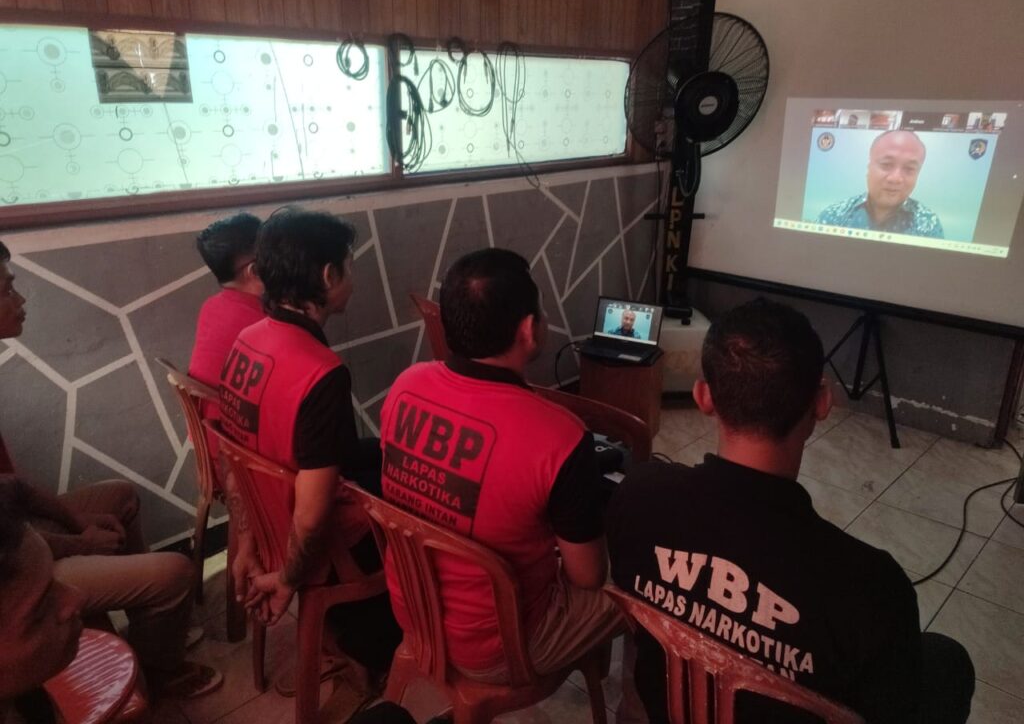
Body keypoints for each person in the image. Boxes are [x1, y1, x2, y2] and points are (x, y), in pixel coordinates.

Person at [607, 298, 974, 724]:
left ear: (703, 396)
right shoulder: (873, 586)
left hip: (665, 710)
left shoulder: (637, 495)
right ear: (821, 401)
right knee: (947, 661)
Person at [378, 248, 623, 681]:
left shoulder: (406, 385)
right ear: (528, 329)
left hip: (412, 613)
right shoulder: (561, 435)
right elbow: (586, 576)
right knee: (644, 589)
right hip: (502, 647)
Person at [0, 240, 222, 700]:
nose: (19, 300)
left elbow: (12, 488)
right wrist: (77, 543)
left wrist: (74, 518)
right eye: (6, 290)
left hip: (20, 531)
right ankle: (159, 671)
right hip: (14, 574)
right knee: (175, 572)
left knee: (121, 496)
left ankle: (151, 629)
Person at [219, 207, 400, 693]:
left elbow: (234, 462)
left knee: (386, 454)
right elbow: (313, 514)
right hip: (323, 541)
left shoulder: (247, 340)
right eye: (349, 266)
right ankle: (375, 649)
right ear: (328, 275)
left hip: (267, 516)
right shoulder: (321, 373)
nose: (352, 278)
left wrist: (249, 544)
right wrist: (288, 580)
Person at [189, 213, 265, 477]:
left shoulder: (211, 307)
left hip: (213, 447)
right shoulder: (260, 324)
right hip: (244, 463)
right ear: (255, 270)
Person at [0, 480, 84, 717]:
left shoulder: (26, 696)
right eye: (39, 610)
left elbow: (17, 486)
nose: (78, 597)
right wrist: (85, 543)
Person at [817, 130, 944, 237]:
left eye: (909, 169)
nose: (895, 178)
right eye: (886, 164)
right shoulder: (834, 217)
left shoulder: (928, 224)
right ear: (869, 167)